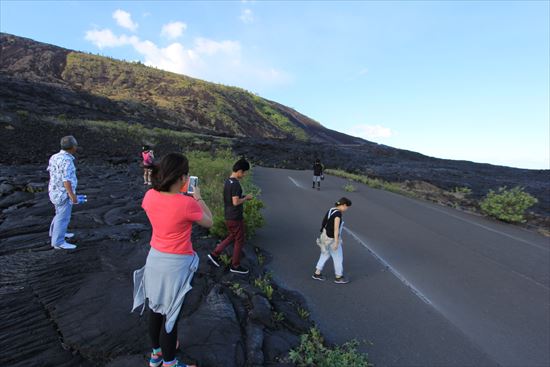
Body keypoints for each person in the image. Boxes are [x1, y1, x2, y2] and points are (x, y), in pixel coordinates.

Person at [132, 153, 212, 367]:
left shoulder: (149, 196)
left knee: (155, 309)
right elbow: (209, 222)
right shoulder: (186, 203)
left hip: (155, 259)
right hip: (176, 265)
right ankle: (170, 363)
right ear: (183, 178)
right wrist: (198, 197)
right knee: (171, 314)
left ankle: (156, 354)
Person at [207, 158, 253, 274]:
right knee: (239, 240)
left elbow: (231, 198)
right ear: (240, 171)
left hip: (228, 215)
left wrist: (241, 196)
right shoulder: (236, 184)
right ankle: (235, 265)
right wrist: (246, 198)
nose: (244, 174)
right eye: (244, 172)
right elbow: (235, 202)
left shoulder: (228, 181)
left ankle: (215, 253)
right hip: (235, 217)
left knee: (233, 236)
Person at [47, 135, 81, 250]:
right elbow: (66, 180)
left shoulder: (54, 157)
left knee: (58, 213)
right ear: (73, 147)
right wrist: (72, 196)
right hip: (62, 194)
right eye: (75, 145)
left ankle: (55, 232)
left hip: (54, 191)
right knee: (63, 217)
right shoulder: (67, 160)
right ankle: (58, 241)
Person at [312, 197, 352, 284]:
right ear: (344, 205)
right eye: (347, 207)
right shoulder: (338, 215)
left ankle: (317, 273)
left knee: (324, 254)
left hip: (325, 237)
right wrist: (337, 242)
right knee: (338, 257)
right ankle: (339, 277)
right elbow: (336, 229)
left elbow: (324, 222)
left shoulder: (331, 210)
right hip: (331, 239)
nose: (347, 209)